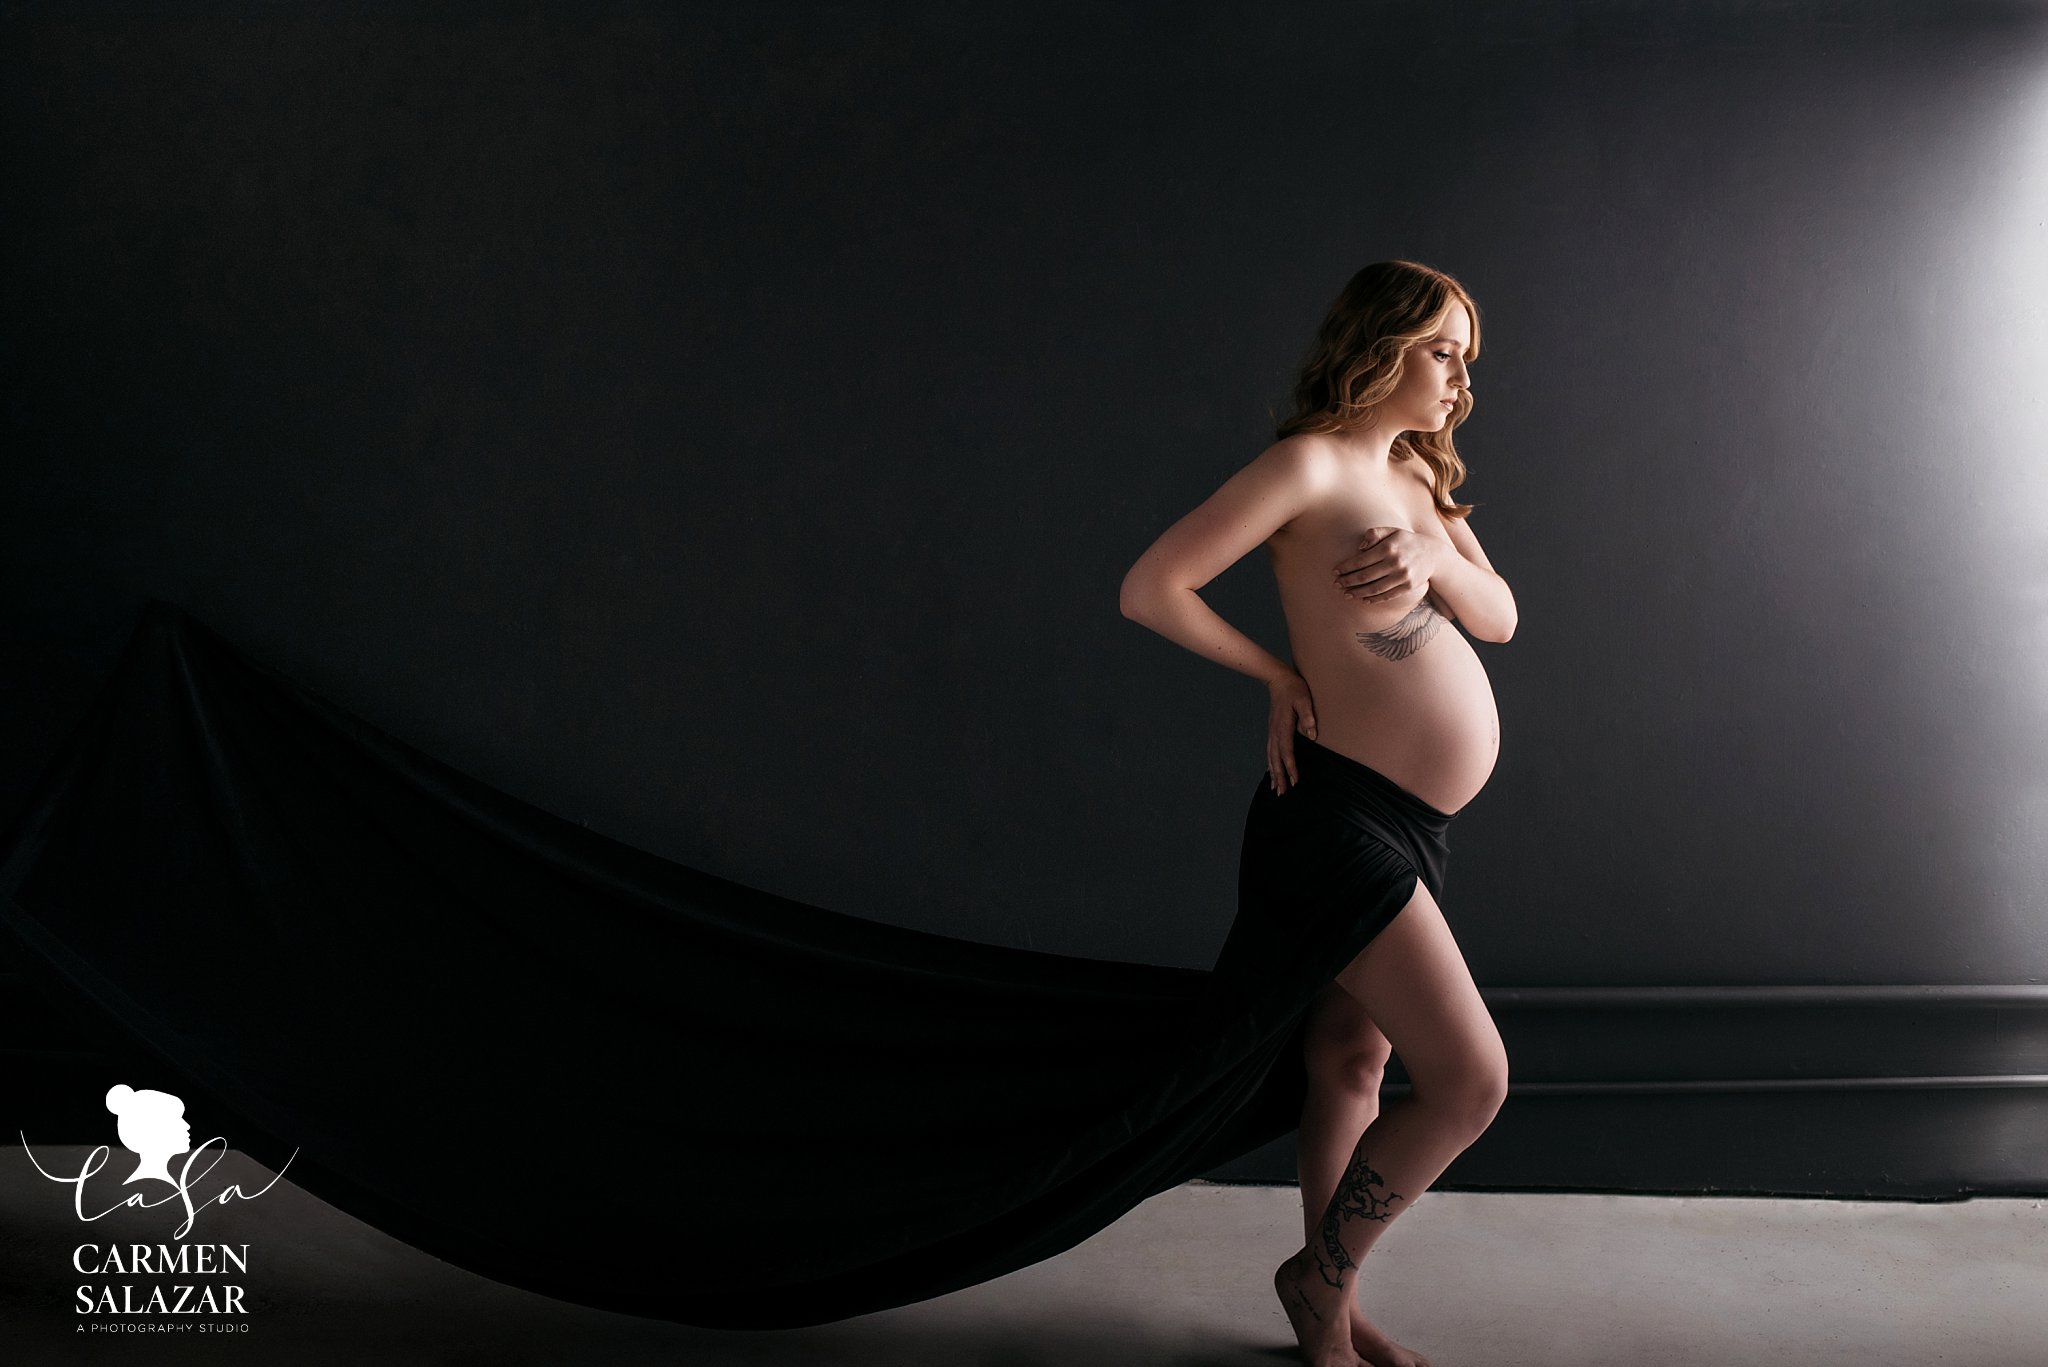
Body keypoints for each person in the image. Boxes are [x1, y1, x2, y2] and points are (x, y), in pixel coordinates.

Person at [1118, 260, 1517, 1367]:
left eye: (1465, 358)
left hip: (1408, 824)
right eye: (1440, 349)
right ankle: (1318, 1273)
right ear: (1379, 344)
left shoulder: (1417, 484)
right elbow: (1151, 586)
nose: (1457, 379)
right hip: (1332, 817)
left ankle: (1324, 1313)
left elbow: (1501, 618)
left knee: (1350, 1058)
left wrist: (1436, 552)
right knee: (1470, 1077)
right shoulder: (1305, 467)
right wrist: (1274, 674)